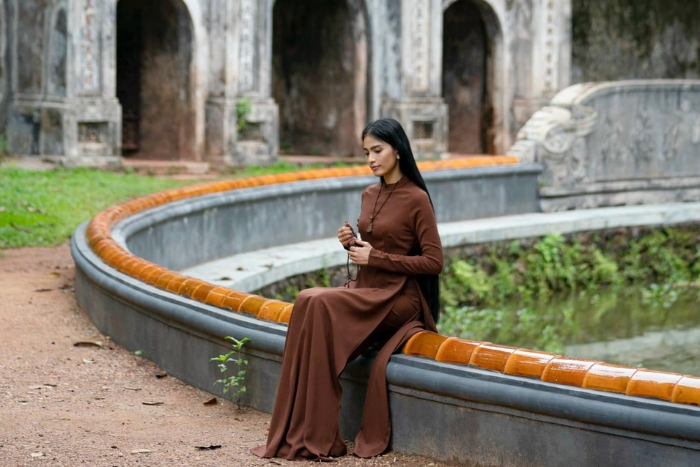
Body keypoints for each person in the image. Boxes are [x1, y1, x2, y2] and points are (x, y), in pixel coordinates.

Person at [252, 118, 443, 461]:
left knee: (321, 304)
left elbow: (433, 262)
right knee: (307, 298)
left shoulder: (417, 199)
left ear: (397, 151)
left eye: (378, 150)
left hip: (400, 298)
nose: (370, 158)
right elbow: (372, 249)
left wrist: (376, 257)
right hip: (368, 289)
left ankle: (319, 437)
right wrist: (351, 244)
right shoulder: (370, 193)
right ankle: (299, 429)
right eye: (366, 152)